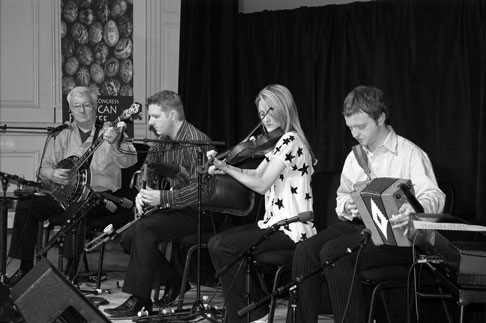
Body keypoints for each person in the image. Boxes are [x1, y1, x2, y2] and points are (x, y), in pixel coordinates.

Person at [289, 85, 446, 323]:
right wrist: (346, 207)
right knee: (305, 250)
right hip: (361, 226)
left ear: (381, 117)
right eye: (350, 128)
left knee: (335, 252)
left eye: (361, 127)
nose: (355, 134)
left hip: (398, 236)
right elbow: (341, 198)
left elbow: (436, 196)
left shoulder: (410, 154)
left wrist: (415, 206)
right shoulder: (355, 156)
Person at [104, 90, 223, 318]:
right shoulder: (163, 141)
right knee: (129, 236)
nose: (150, 122)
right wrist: (143, 192)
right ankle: (174, 280)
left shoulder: (196, 142)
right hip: (176, 207)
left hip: (203, 210)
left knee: (145, 229)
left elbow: (202, 190)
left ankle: (140, 301)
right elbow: (148, 167)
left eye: (155, 117)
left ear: (171, 115)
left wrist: (162, 198)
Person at [207, 84, 317, 323]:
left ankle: (252, 314)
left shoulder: (291, 140)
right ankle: (256, 310)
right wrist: (225, 169)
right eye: (261, 114)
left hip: (292, 228)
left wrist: (226, 167)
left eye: (270, 111)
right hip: (274, 224)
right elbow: (257, 174)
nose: (265, 119)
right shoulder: (280, 142)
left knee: (222, 245)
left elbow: (261, 185)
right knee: (218, 242)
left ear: (285, 109)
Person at [8, 86, 137, 284]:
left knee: (76, 211)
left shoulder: (110, 131)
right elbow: (44, 168)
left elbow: (131, 160)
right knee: (27, 207)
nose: (82, 110)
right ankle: (25, 268)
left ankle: (70, 274)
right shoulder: (63, 135)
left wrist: (115, 143)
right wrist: (53, 174)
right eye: (77, 106)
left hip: (99, 199)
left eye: (86, 105)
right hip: (66, 195)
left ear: (95, 106)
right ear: (71, 109)